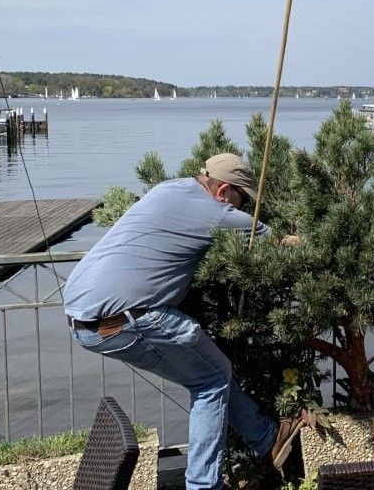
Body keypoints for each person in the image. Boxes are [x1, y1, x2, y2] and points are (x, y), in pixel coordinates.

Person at [63, 153, 304, 490]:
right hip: (129, 318)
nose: (241, 208)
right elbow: (269, 240)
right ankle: (206, 484)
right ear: (222, 192)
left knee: (208, 373)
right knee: (212, 379)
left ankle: (267, 437)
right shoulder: (216, 212)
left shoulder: (168, 189)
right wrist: (303, 240)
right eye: (241, 199)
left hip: (82, 320)